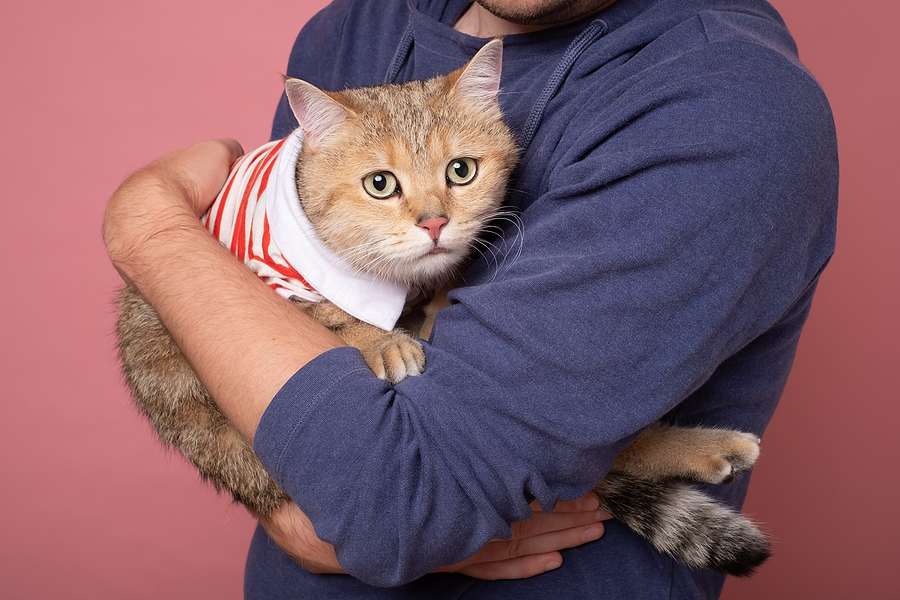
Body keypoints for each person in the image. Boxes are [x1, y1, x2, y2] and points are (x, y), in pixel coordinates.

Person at [103, 0, 838, 598]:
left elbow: (389, 506)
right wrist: (288, 506)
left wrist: (151, 227)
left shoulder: (724, 101)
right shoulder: (349, 28)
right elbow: (264, 351)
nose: (431, 217)